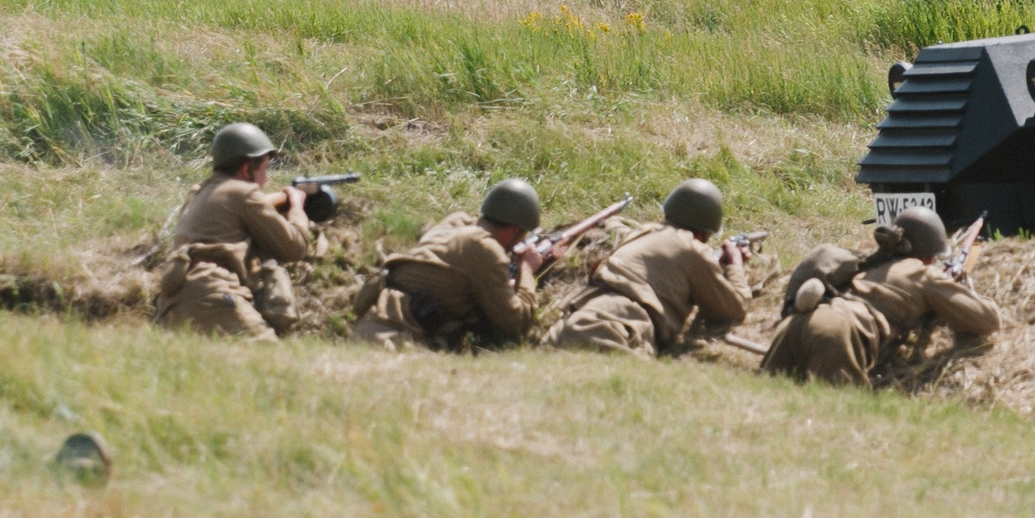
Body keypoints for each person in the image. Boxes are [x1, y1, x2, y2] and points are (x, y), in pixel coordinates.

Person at [759, 208, 1001, 385]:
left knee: (765, 407)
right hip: (837, 332)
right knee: (834, 422)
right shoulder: (924, 274)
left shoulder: (870, 263)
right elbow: (986, 322)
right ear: (929, 255)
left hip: (798, 322)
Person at [544, 179, 752, 357]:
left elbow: (616, 225)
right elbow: (733, 310)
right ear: (705, 234)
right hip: (615, 327)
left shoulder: (645, 232)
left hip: (571, 321)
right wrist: (735, 264)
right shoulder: (693, 250)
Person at [151, 122, 317, 342]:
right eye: (264, 169)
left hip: (172, 303)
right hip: (213, 293)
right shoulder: (243, 193)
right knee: (271, 363)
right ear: (245, 169)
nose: (266, 180)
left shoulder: (198, 192)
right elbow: (294, 248)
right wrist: (296, 205)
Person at [351, 179, 546, 351]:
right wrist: (527, 270)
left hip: (370, 328)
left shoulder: (456, 224)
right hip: (396, 341)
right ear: (514, 231)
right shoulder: (484, 248)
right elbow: (515, 323)